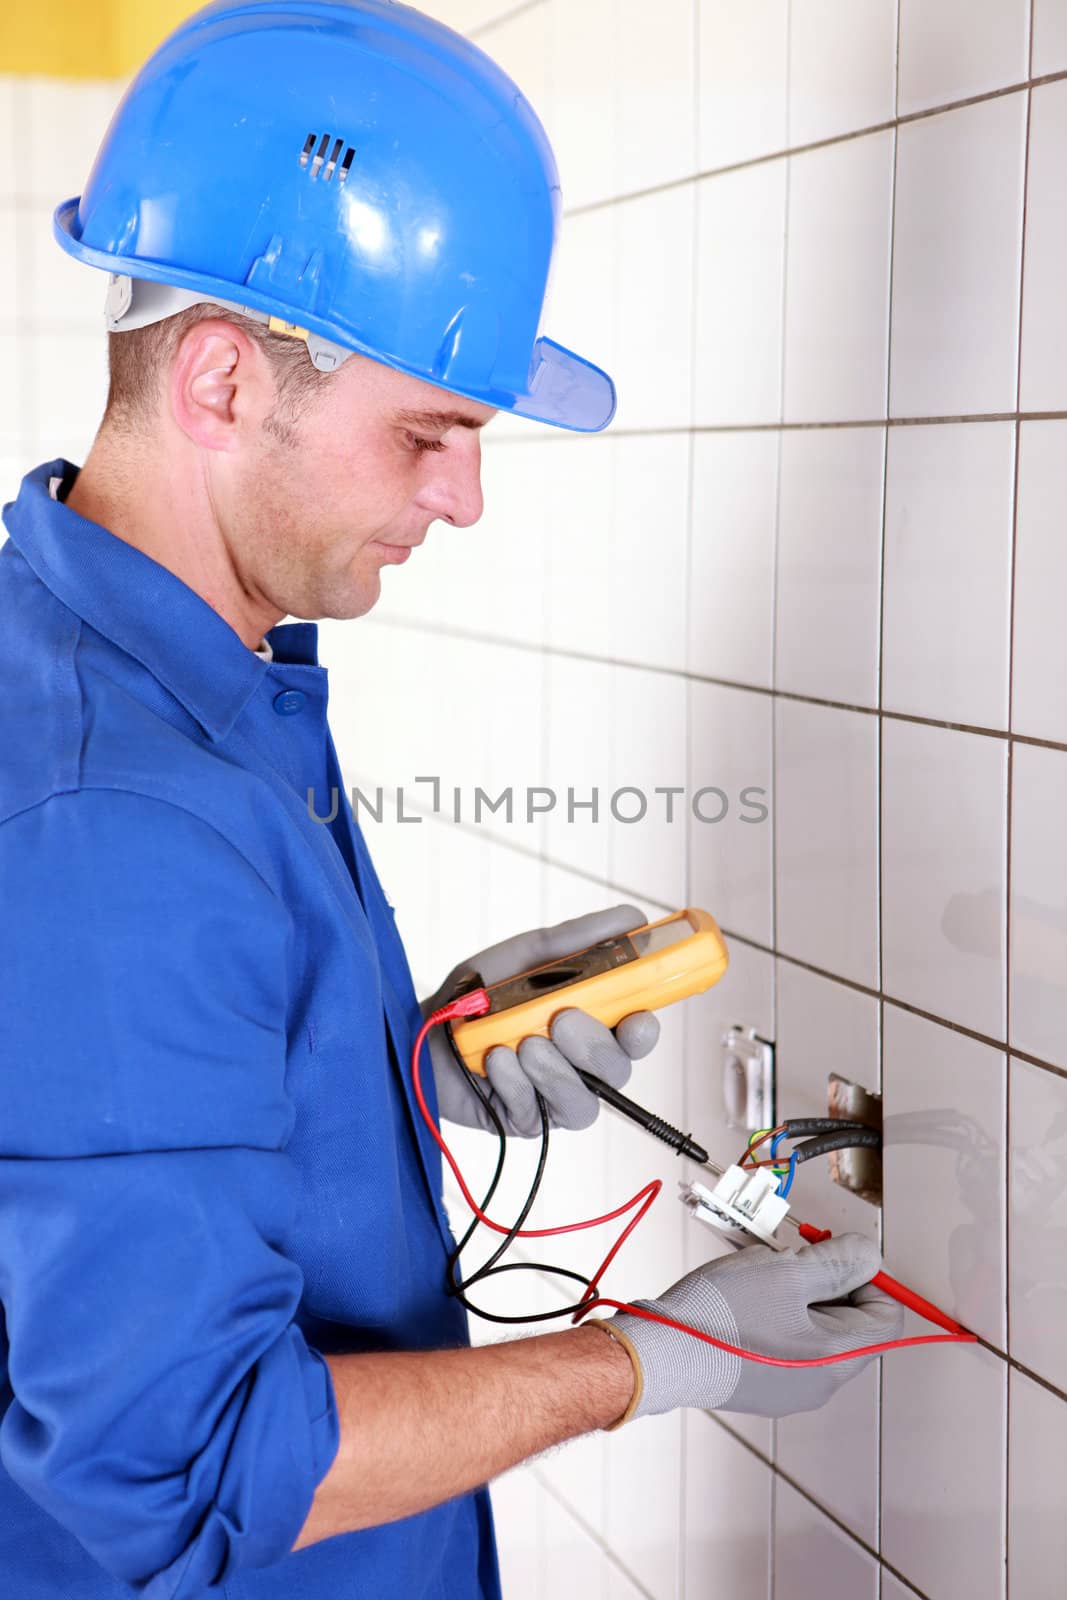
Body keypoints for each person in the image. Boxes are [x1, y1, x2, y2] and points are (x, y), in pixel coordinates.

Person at [0, 3, 903, 1596]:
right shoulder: (119, 812)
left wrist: (408, 1068)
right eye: (428, 433)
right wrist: (650, 1360)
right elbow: (175, 1473)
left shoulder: (161, 668)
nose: (465, 499)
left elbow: (109, 1116)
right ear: (221, 378)